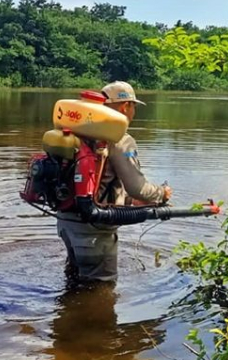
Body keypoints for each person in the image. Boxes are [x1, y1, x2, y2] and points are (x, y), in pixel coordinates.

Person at [56, 81, 172, 282]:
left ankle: (65, 311)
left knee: (74, 279)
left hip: (66, 221)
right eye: (134, 106)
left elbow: (100, 180)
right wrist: (162, 193)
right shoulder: (118, 138)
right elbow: (138, 188)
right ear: (125, 106)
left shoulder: (78, 130)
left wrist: (127, 201)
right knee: (101, 288)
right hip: (94, 229)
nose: (134, 111)